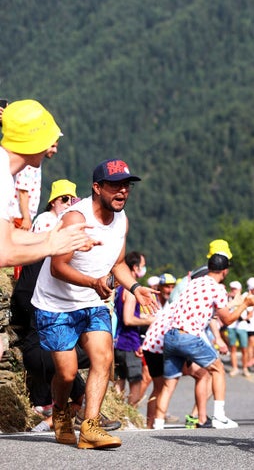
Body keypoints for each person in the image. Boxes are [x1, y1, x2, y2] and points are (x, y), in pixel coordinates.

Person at [31, 158, 158, 449]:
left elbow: (118, 264)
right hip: (56, 306)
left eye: (126, 185)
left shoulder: (122, 220)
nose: (122, 191)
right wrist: (92, 282)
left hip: (93, 303)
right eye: (115, 185)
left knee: (103, 359)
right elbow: (57, 266)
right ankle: (61, 412)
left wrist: (136, 287)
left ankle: (89, 428)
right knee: (67, 373)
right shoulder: (76, 218)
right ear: (97, 187)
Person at [153, 249, 249, 429]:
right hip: (189, 335)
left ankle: (158, 423)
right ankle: (219, 416)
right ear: (225, 271)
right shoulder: (218, 288)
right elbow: (226, 319)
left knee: (169, 383)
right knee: (218, 369)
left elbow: (206, 311)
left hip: (171, 334)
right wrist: (245, 304)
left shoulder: (194, 283)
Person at [0, 99, 93, 267]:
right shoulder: (2, 177)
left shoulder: (6, 169)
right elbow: (3, 254)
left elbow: (10, 234)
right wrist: (51, 246)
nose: (51, 149)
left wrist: (54, 235)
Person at [113, 251, 154, 407]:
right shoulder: (131, 291)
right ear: (135, 267)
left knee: (120, 380)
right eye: (142, 266)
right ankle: (130, 412)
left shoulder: (119, 288)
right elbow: (128, 319)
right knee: (137, 380)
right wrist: (149, 320)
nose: (143, 269)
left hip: (117, 342)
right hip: (129, 341)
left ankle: (119, 412)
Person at [226, 279, 251, 377]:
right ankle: (235, 368)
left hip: (242, 326)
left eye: (235, 289)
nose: (233, 291)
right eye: (232, 289)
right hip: (231, 325)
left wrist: (246, 318)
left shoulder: (244, 298)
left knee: (244, 348)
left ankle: (245, 368)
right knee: (233, 348)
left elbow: (250, 311)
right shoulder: (227, 299)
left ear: (239, 290)